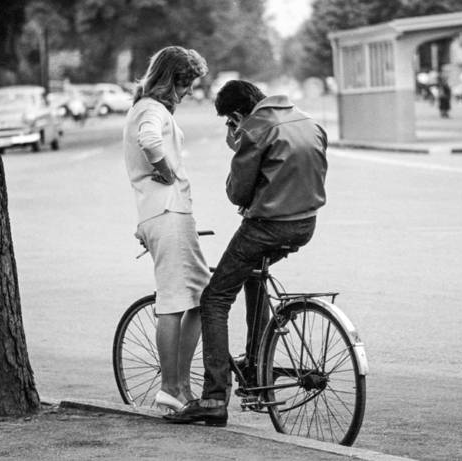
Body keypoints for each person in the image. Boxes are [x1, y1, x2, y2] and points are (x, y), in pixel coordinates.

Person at [164, 80, 328, 427]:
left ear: (237, 116)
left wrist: (236, 145)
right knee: (252, 276)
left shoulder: (254, 130)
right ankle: (255, 366)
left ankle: (213, 397)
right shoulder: (307, 120)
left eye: (231, 121)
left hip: (267, 227)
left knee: (215, 299)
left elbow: (237, 193)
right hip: (305, 224)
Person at [122, 46, 210, 413]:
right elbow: (150, 141)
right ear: (170, 80)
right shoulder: (152, 109)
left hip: (166, 213)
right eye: (185, 84)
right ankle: (172, 387)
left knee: (201, 296)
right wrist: (166, 171)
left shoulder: (147, 108)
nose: (188, 92)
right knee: (175, 300)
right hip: (167, 211)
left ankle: (181, 384)